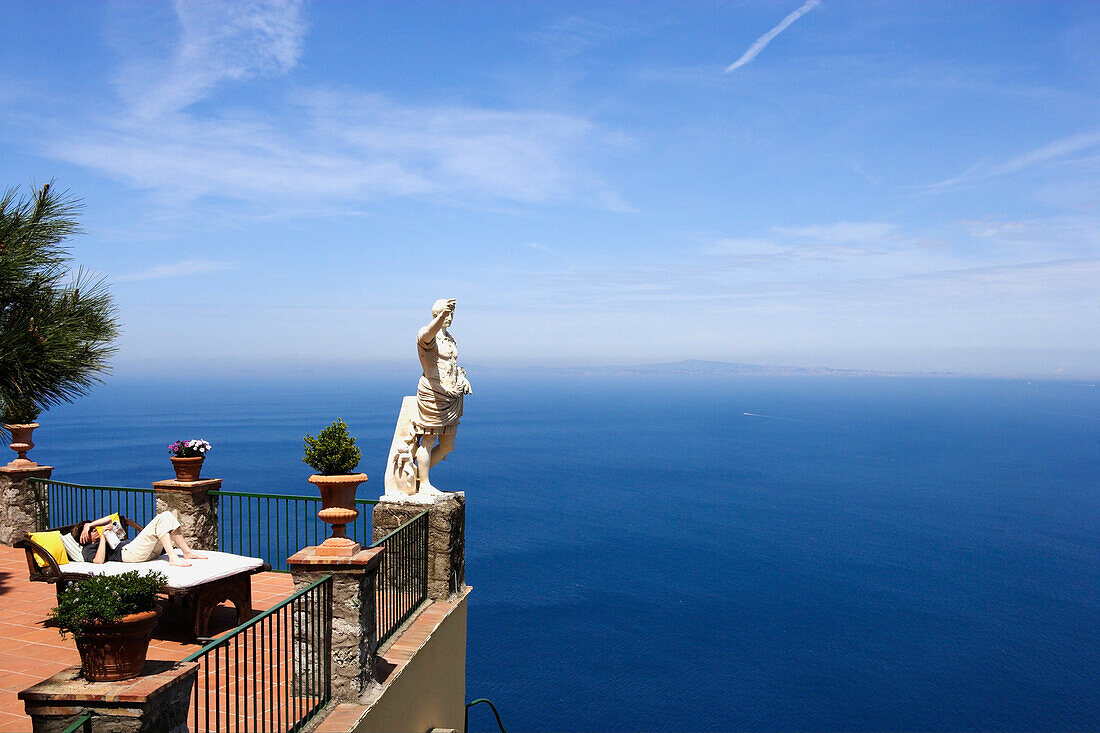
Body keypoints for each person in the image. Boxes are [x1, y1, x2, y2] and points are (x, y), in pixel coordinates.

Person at [413, 298, 472, 492]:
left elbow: (452, 366)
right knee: (428, 440)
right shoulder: (426, 335)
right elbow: (429, 333)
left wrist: (462, 378)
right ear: (436, 315)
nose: (449, 318)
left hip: (452, 397)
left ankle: (414, 474)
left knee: (448, 446)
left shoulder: (450, 338)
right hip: (434, 393)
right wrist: (440, 316)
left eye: (451, 315)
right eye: (445, 315)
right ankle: (425, 483)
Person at [72, 512, 206, 567]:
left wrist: (90, 524)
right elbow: (98, 561)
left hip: (138, 550)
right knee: (163, 517)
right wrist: (103, 538)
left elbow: (109, 519)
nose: (95, 530)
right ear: (83, 539)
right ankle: (173, 557)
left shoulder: (95, 529)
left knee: (168, 516)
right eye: (90, 531)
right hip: (128, 554)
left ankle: (187, 552)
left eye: (94, 528)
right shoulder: (88, 549)